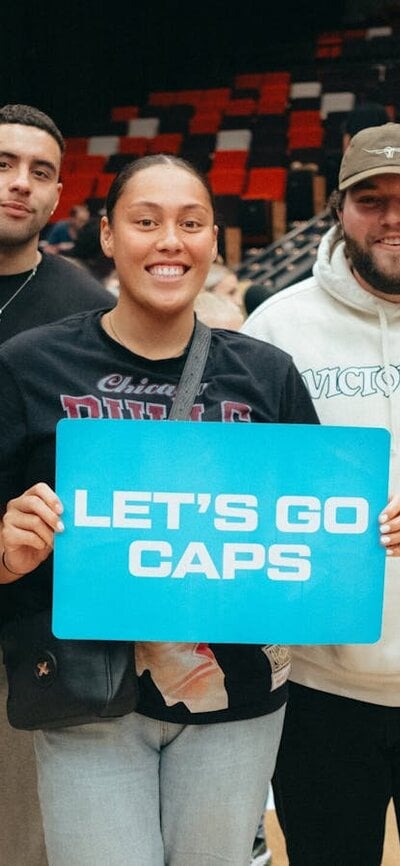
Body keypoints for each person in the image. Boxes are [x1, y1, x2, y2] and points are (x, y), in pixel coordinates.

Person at [0, 153, 319, 866]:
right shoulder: (29, 365)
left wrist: (365, 533)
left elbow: (313, 527)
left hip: (236, 702)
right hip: (85, 696)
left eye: (191, 222)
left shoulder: (268, 374)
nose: (170, 240)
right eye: (146, 222)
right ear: (108, 235)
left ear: (213, 240)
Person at [242, 122, 400, 866]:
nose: (391, 216)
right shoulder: (277, 326)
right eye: (372, 199)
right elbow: (241, 489)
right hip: (320, 691)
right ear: (339, 209)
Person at [0, 102, 115, 866]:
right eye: (3, 163)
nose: (20, 184)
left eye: (40, 171)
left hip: (21, 628)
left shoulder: (90, 310)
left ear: (60, 194)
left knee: (20, 842)